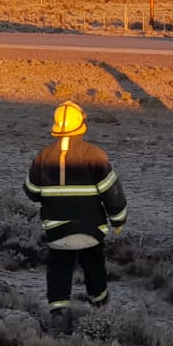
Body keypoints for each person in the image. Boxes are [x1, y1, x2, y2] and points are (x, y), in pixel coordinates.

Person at [24, 101, 128, 333]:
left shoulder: (43, 156)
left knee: (59, 269)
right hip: (91, 230)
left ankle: (59, 316)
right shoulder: (95, 155)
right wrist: (118, 220)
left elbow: (31, 191)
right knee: (94, 266)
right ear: (81, 124)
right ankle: (99, 306)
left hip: (57, 231)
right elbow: (112, 193)